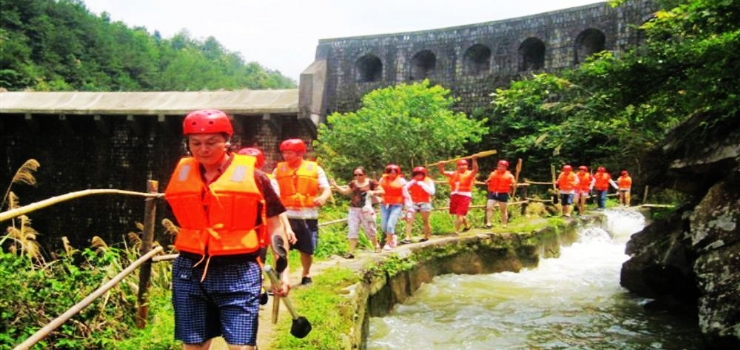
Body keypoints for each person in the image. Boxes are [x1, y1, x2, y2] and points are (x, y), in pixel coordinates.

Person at [164, 109, 291, 350]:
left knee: (241, 346)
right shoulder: (182, 175)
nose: (203, 149)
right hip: (190, 269)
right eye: (196, 143)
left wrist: (283, 271)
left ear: (227, 141)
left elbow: (275, 224)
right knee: (193, 345)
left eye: (212, 142)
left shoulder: (256, 177)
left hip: (239, 270)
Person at [273, 139, 332, 286]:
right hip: (285, 216)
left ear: (300, 153)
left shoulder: (315, 169)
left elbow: (326, 188)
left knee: (307, 249)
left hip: (307, 215)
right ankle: (280, 277)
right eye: (284, 152)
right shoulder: (278, 170)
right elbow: (273, 192)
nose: (286, 156)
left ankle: (306, 274)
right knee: (280, 248)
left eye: (289, 153)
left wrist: (323, 198)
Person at [329, 166, 382, 258]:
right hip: (354, 209)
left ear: (365, 174)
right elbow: (345, 192)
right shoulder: (353, 183)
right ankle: (351, 252)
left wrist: (373, 192)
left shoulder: (371, 182)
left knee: (370, 229)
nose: (358, 177)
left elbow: (382, 191)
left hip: (366, 209)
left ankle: (376, 245)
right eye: (355, 175)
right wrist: (335, 185)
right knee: (352, 229)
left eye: (360, 175)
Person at [438, 157, 478, 233]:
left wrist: (474, 160)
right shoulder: (453, 173)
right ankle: (467, 226)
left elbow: (475, 170)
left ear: (467, 166)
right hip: (455, 194)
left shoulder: (470, 173)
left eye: (464, 165)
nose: (462, 166)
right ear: (457, 166)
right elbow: (442, 172)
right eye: (460, 165)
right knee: (458, 213)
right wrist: (441, 165)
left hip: (465, 195)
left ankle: (456, 230)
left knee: (460, 213)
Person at [401, 166, 435, 244]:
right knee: (409, 220)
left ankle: (426, 236)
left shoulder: (428, 181)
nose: (419, 176)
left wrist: (423, 185)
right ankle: (407, 237)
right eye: (416, 174)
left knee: (425, 221)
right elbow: (404, 189)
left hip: (425, 202)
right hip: (414, 202)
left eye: (420, 174)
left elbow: (432, 192)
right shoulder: (412, 181)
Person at [378, 164, 407, 250]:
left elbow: (406, 194)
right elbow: (379, 190)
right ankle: (392, 236)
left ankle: (388, 243)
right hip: (385, 204)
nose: (392, 174)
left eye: (394, 172)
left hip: (397, 204)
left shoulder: (401, 181)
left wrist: (407, 208)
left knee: (390, 224)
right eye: (390, 172)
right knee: (384, 225)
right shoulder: (382, 179)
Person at [484, 160, 515, 228]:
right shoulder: (492, 174)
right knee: (489, 207)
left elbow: (513, 183)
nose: (500, 168)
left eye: (502, 166)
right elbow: (488, 180)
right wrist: (487, 182)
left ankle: (504, 224)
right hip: (493, 192)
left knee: (503, 210)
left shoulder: (509, 175)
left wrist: (514, 184)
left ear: (505, 167)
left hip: (503, 193)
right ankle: (489, 223)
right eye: (499, 166)